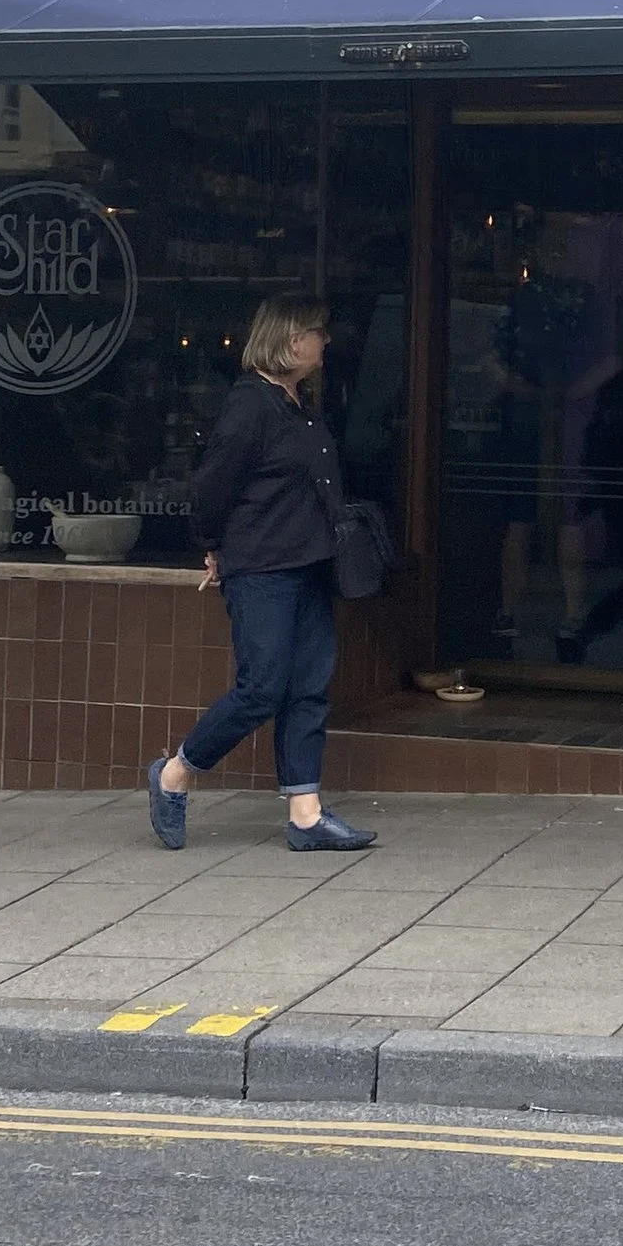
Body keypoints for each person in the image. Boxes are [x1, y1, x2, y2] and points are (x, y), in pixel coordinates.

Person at [144, 294, 375, 857]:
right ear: (292, 340)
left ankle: (306, 813)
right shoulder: (251, 404)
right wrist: (212, 546)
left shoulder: (301, 404)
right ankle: (175, 774)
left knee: (308, 688)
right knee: (262, 688)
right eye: (318, 333)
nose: (325, 343)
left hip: (310, 567)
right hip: (263, 568)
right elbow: (212, 484)